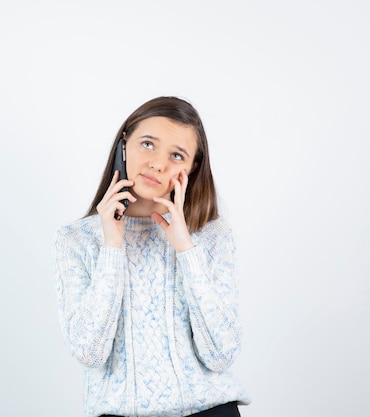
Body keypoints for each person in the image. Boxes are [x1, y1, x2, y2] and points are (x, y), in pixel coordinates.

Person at [53, 96, 251, 417]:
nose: (158, 163)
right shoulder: (76, 240)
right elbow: (90, 353)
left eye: (176, 155)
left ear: (191, 168)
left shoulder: (211, 235)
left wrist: (186, 248)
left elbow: (221, 355)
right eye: (148, 144)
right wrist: (112, 247)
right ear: (124, 145)